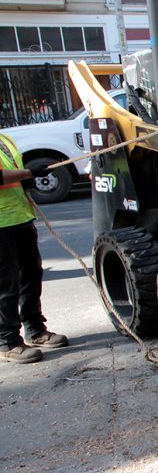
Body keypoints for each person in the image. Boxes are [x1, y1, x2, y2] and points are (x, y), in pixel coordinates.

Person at [0, 132, 69, 364]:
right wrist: (29, 172)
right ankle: (7, 341)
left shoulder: (5, 140)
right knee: (5, 284)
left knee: (30, 275)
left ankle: (35, 329)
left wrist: (26, 178)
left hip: (19, 217)